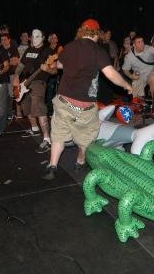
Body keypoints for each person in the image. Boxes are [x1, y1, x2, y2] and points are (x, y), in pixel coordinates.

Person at [43, 19, 132, 180]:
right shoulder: (98, 51)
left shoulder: (69, 46)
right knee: (86, 137)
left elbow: (60, 66)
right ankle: (80, 161)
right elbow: (110, 74)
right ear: (97, 34)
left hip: (63, 102)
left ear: (81, 31)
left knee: (58, 135)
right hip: (85, 106)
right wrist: (126, 85)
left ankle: (52, 166)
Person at [12, 29, 57, 152]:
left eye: (38, 36)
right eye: (33, 36)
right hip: (24, 82)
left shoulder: (48, 51)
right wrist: (16, 76)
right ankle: (34, 128)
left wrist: (47, 69)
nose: (34, 38)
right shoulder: (28, 50)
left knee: (38, 106)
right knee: (26, 106)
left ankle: (47, 139)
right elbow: (21, 66)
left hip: (39, 82)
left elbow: (54, 70)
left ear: (43, 37)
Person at [121, 35, 154, 100]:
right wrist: (131, 76)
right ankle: (140, 104)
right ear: (134, 45)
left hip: (151, 72)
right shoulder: (129, 56)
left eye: (142, 41)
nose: (142, 44)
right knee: (136, 98)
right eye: (139, 42)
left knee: (153, 79)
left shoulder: (148, 48)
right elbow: (125, 70)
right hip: (139, 76)